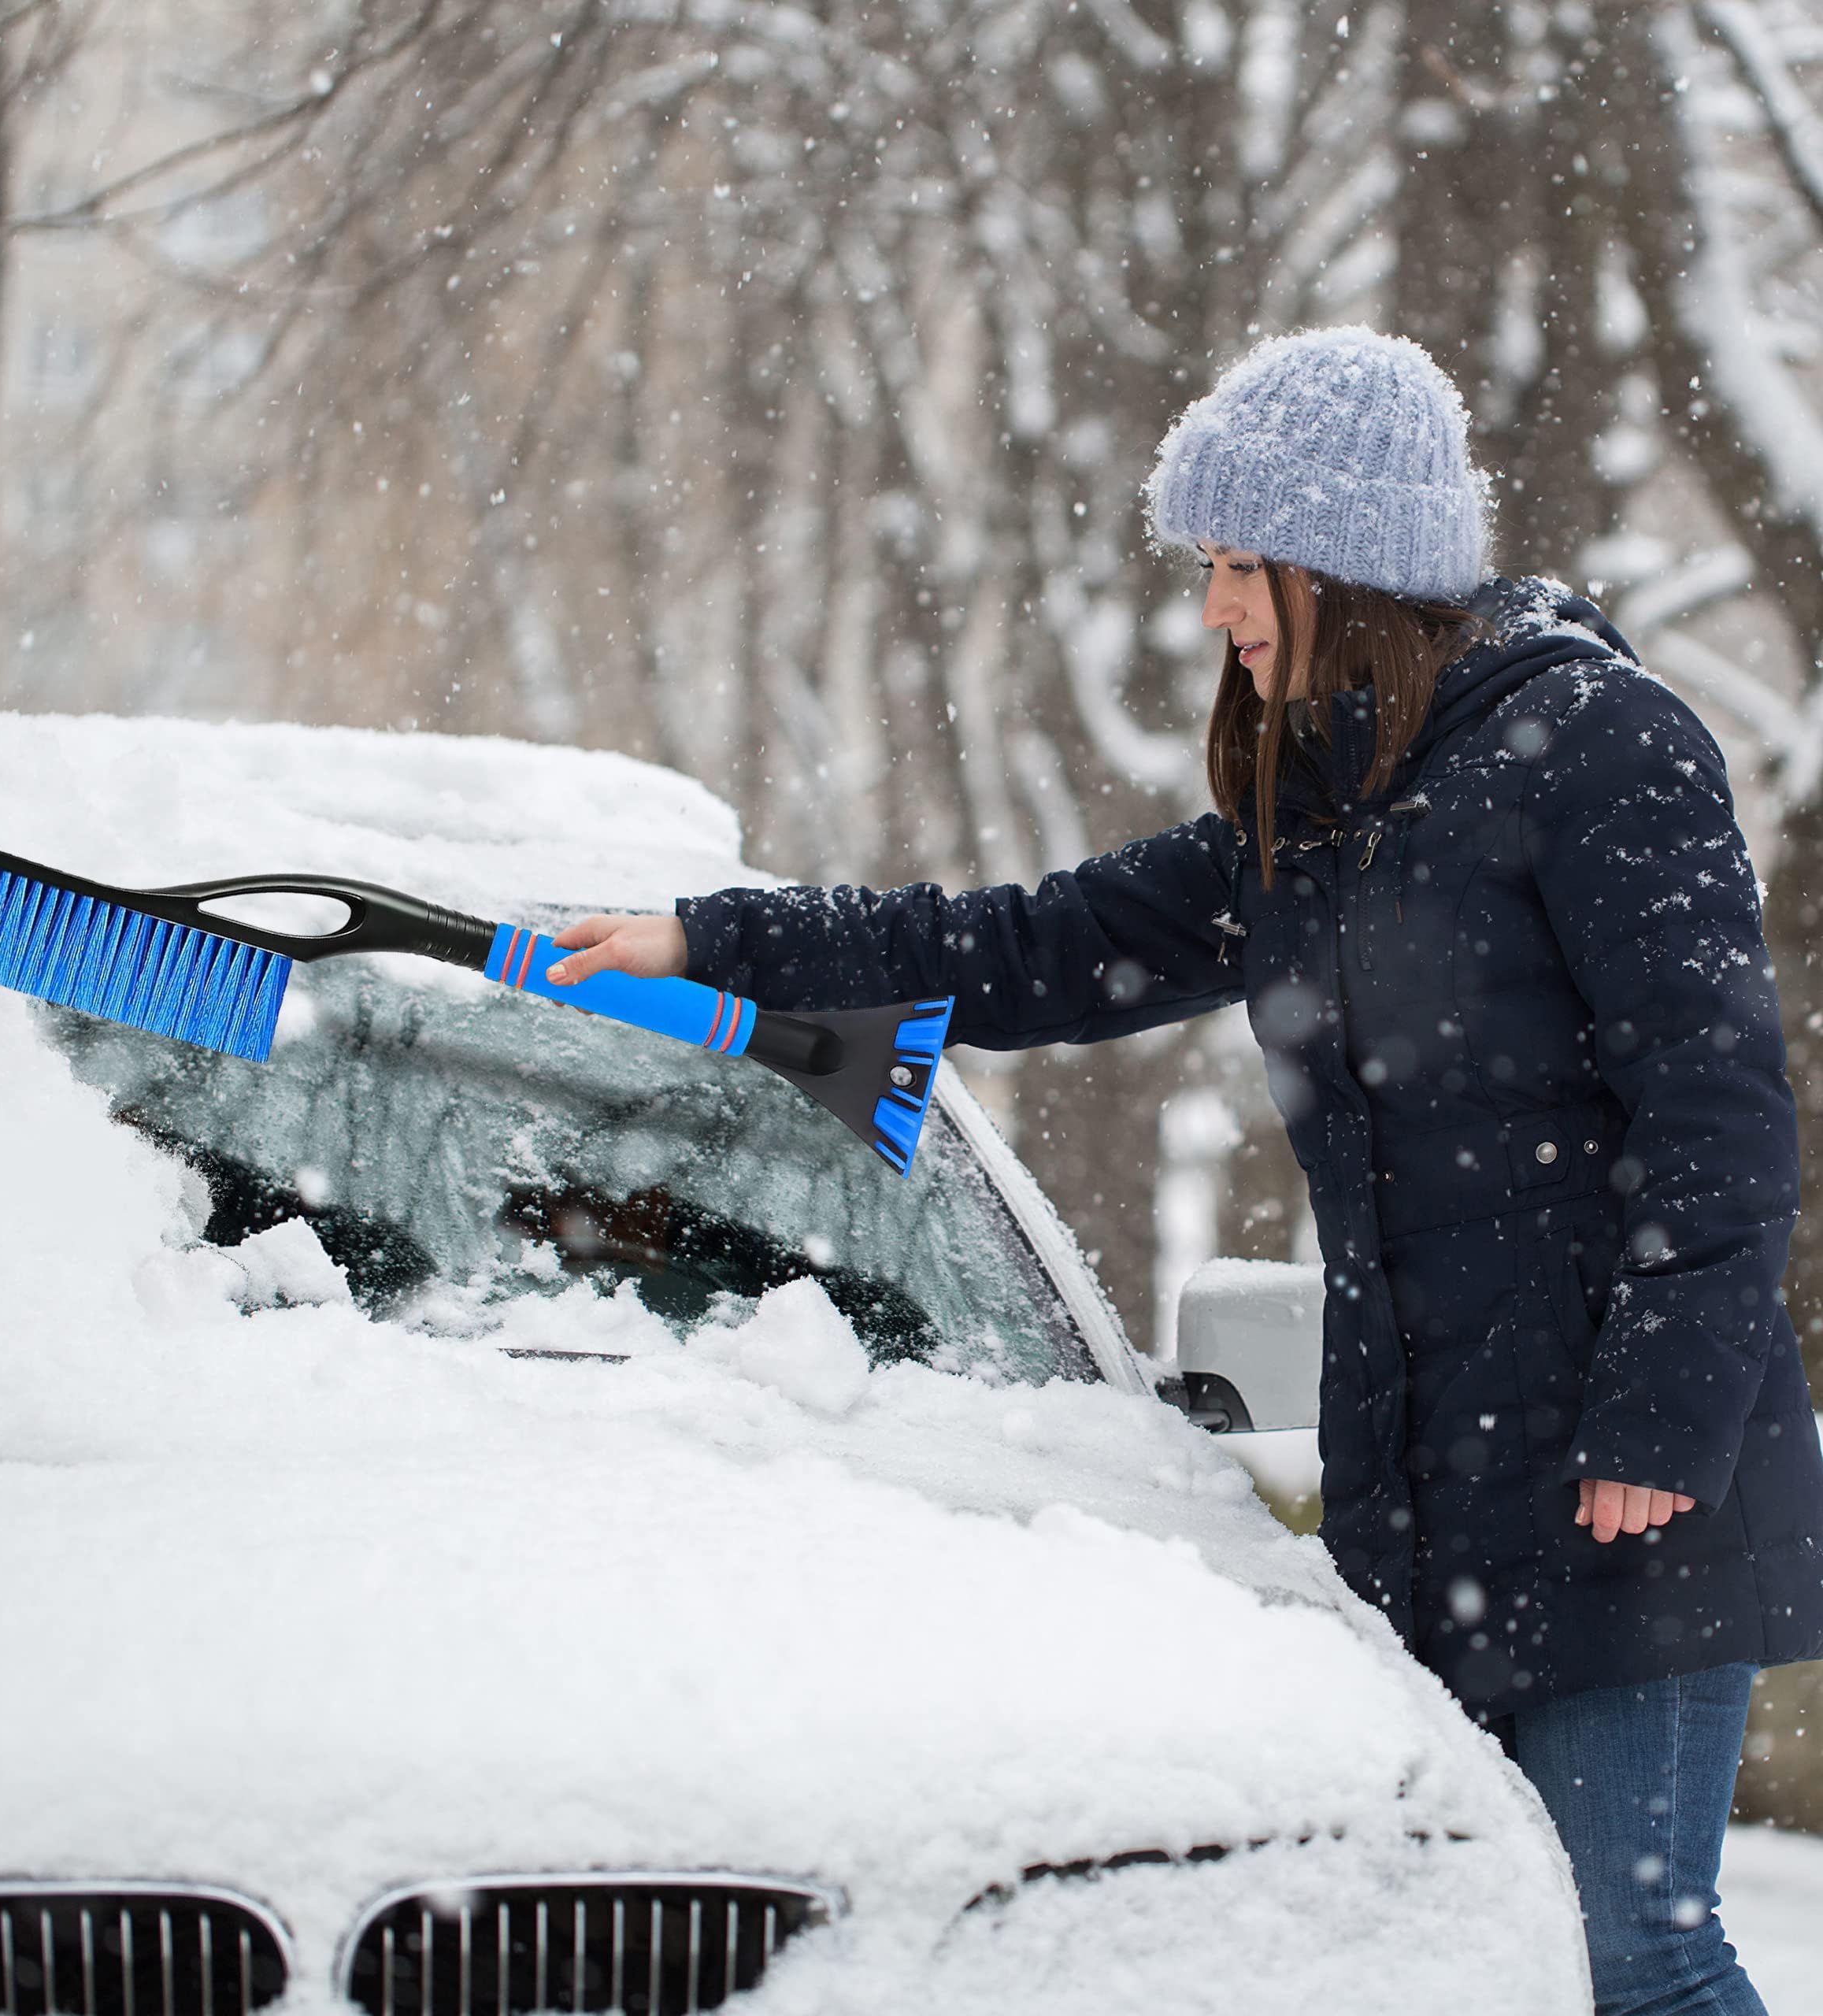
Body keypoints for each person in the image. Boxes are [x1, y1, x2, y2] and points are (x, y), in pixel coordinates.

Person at [547, 326, 1823, 2014]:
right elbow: (1030, 947)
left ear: (1343, 565)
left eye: (1236, 565)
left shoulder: (1597, 747)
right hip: (1432, 1482)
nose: (1213, 608)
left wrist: (1653, 1424)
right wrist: (717, 936)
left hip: (1622, 1481)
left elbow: (1716, 1113)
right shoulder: (1321, 805)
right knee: (1485, 1958)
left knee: (1630, 1952)